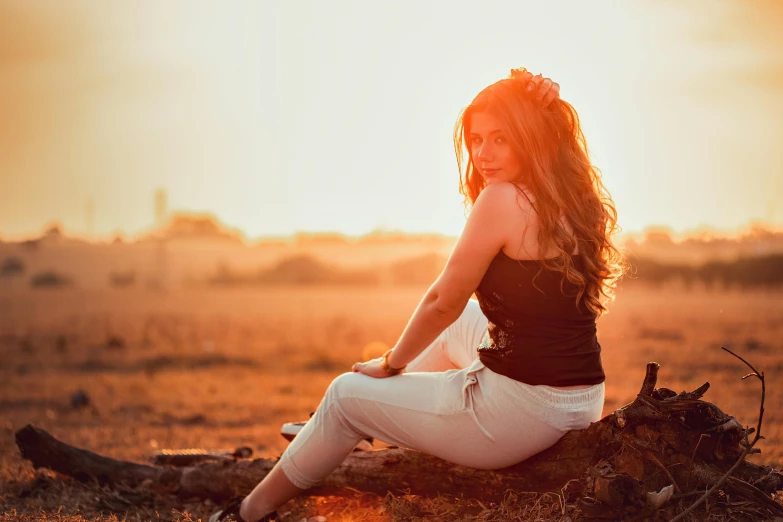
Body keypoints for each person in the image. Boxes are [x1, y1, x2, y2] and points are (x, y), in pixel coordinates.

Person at [210, 68, 626, 522]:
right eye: (476, 139)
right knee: (462, 324)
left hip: (521, 413)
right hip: (581, 397)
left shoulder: (503, 198)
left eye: (500, 139)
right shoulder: (571, 195)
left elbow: (440, 301)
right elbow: (456, 313)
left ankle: (247, 512)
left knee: (346, 394)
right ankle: (348, 425)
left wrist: (390, 364)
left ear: (531, 136)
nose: (483, 154)